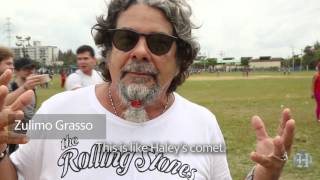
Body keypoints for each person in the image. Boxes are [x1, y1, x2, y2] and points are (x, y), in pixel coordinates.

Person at [0, 0, 295, 180]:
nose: (140, 52)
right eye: (127, 38)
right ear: (109, 51)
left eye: (158, 43)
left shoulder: (202, 123)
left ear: (181, 60)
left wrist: (265, 177)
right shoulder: (59, 113)